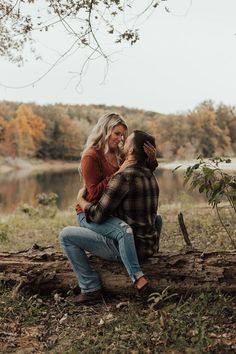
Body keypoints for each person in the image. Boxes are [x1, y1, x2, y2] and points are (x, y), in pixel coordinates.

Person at [59, 130, 161, 303]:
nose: (122, 142)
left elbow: (98, 215)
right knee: (156, 218)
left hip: (129, 247)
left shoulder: (122, 178)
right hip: (148, 247)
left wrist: (81, 201)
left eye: (126, 140)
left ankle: (90, 288)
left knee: (66, 235)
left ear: (130, 151)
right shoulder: (150, 176)